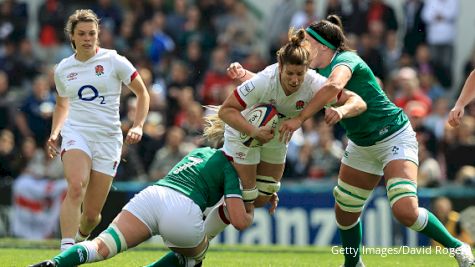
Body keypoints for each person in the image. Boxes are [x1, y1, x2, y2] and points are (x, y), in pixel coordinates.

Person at [233, 15, 474, 267]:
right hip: (361, 144)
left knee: (405, 211)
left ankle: (457, 247)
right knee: (345, 210)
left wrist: (301, 119)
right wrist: (246, 75)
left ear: (322, 46)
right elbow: (278, 81)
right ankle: (352, 264)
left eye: (307, 42)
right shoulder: (312, 72)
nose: (303, 47)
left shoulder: (346, 60)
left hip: (394, 135)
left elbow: (334, 86)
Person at [29, 116, 255, 267]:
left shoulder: (201, 152)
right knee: (194, 257)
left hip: (152, 196)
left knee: (102, 245)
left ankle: (55, 263)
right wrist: (252, 199)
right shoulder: (230, 168)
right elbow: (239, 220)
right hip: (183, 211)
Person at [218, 27, 366, 208]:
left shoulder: (315, 83)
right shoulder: (265, 80)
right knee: (246, 201)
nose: (295, 80)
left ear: (307, 69)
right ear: (280, 68)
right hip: (248, 131)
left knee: (260, 200)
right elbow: (225, 111)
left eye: (300, 74)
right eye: (290, 73)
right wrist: (254, 132)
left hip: (278, 137)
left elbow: (358, 102)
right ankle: (217, 180)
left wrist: (341, 111)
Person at [47, 9, 150, 251]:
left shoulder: (114, 61)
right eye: (81, 34)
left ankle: (82, 236)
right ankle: (66, 250)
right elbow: (63, 104)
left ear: (98, 35)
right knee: (75, 186)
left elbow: (142, 92)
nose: (87, 38)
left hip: (108, 139)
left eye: (91, 33)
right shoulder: (63, 69)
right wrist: (55, 132)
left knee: (92, 216)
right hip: (77, 132)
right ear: (71, 36)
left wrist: (138, 125)